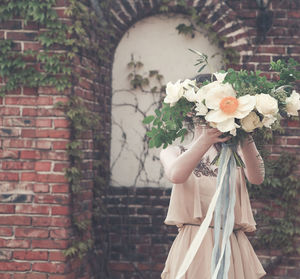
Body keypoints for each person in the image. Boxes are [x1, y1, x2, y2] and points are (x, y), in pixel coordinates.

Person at [160, 122, 266, 279]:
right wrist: (205, 140)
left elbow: (257, 177)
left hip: (230, 246)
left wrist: (246, 131)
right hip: (193, 245)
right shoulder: (172, 151)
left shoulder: (237, 153)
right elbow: (176, 175)